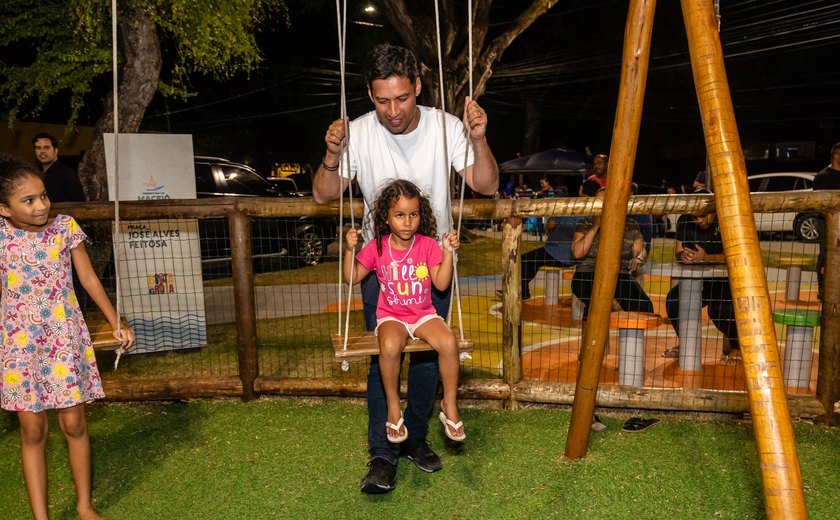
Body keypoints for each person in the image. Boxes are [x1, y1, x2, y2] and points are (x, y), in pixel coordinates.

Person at [312, 43, 498, 494]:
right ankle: (383, 452)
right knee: (384, 360)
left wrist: (478, 137)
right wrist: (333, 155)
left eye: (401, 98)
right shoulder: (357, 132)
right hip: (380, 267)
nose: (392, 111)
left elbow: (486, 184)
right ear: (370, 95)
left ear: (417, 86)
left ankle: (414, 437)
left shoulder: (446, 126)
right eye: (381, 100)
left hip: (432, 261)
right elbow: (322, 195)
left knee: (431, 360)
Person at [0, 155, 135, 520]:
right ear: (4, 209)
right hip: (19, 345)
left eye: (43, 195)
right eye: (28, 200)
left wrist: (115, 322)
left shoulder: (65, 228)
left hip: (63, 338)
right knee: (32, 431)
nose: (41, 205)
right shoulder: (1, 236)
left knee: (74, 423)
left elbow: (89, 279)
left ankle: (84, 506)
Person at [344, 180, 465, 448]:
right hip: (391, 315)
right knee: (389, 346)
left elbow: (442, 284)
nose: (407, 222)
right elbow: (351, 277)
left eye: (413, 214)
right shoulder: (377, 247)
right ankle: (393, 406)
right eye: (399, 215)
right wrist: (349, 249)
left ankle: (450, 405)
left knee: (447, 342)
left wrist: (447, 254)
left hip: (422, 314)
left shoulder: (427, 245)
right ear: (386, 218)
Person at [661, 207, 740, 365]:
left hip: (723, 280)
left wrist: (706, 257)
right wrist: (683, 256)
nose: (699, 221)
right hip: (696, 280)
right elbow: (678, 251)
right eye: (694, 217)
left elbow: (733, 255)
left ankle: (735, 348)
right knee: (674, 300)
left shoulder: (726, 219)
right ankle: (685, 345)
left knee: (719, 311)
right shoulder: (684, 220)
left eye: (703, 216)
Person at [570, 179, 654, 320]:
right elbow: (578, 252)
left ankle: (628, 341)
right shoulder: (586, 222)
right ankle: (594, 340)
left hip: (618, 274)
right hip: (588, 273)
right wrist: (596, 226)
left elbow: (641, 250)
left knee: (644, 306)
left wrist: (638, 258)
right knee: (596, 306)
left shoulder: (630, 224)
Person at [813, 142, 840, 298]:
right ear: (836, 156)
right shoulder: (822, 177)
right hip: (827, 224)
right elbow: (818, 204)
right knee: (825, 254)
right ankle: (822, 287)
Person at [31, 133, 86, 203]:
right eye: (38, 148)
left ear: (55, 151)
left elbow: (80, 203)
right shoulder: (36, 175)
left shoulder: (66, 174)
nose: (42, 151)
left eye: (46, 147)